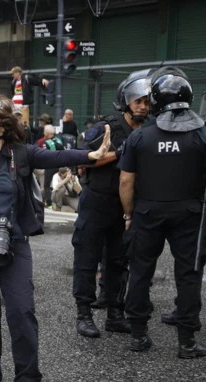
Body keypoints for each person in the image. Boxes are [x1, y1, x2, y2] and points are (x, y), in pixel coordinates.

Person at [0, 95, 110, 381]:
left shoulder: (22, 153)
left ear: (3, 125)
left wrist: (90, 155)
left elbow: (58, 156)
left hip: (13, 244)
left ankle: (28, 376)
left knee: (22, 314)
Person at [118, 67, 206, 358]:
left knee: (141, 272)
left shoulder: (140, 137)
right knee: (189, 274)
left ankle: (138, 335)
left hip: (147, 212)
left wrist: (129, 214)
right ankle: (187, 341)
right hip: (191, 214)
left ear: (155, 100)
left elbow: (126, 180)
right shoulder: (202, 134)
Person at [72, 69, 152, 338]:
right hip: (97, 202)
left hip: (127, 207)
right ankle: (84, 314)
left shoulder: (151, 130)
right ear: (127, 101)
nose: (143, 106)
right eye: (138, 100)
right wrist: (120, 153)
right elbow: (81, 159)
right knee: (87, 258)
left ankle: (115, 314)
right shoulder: (107, 127)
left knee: (120, 261)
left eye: (147, 101)